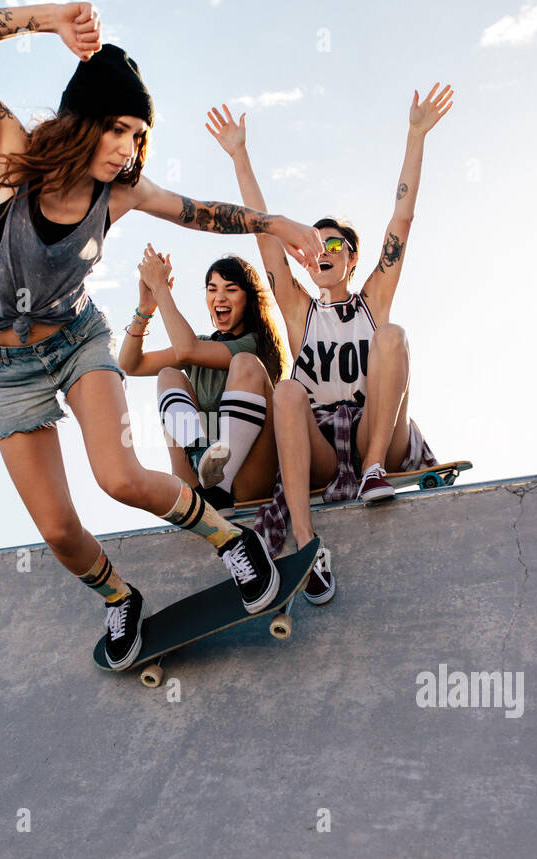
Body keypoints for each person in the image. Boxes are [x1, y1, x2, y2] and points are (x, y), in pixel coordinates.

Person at [0, 4, 324, 670]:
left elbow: (200, 213)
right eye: (116, 129)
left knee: (118, 477)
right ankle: (119, 597)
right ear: (83, 120)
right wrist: (47, 19)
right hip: (4, 370)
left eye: (137, 134)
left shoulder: (122, 193)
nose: (126, 148)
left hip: (78, 340)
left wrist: (276, 221)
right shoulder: (10, 152)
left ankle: (234, 542)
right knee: (57, 530)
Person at [205, 83, 454, 604]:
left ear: (350, 260)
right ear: (306, 256)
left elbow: (401, 221)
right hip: (319, 444)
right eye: (315, 242)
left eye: (335, 243)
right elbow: (264, 240)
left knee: (392, 336)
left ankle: (373, 471)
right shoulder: (301, 310)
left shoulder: (371, 300)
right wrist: (239, 155)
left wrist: (415, 136)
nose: (325, 249)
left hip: (376, 434)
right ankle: (305, 543)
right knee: (289, 391)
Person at [117, 245, 287, 516]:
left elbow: (187, 349)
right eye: (212, 289)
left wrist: (161, 289)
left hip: (251, 481)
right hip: (199, 485)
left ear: (249, 299)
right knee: (169, 375)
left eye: (231, 289)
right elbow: (130, 364)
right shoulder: (202, 345)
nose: (220, 297)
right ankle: (199, 456)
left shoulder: (255, 345)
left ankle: (220, 483)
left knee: (244, 364)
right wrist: (145, 309)